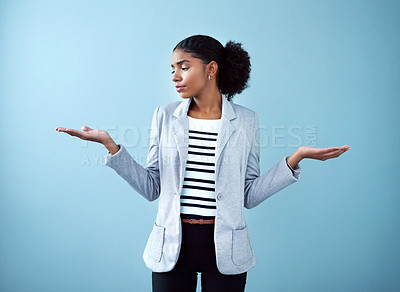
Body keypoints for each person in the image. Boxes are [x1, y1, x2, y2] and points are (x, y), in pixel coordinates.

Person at [56, 34, 351, 292]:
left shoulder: (246, 121)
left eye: (184, 67)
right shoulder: (164, 115)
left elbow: (248, 194)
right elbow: (151, 187)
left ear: (211, 69)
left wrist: (294, 159)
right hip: (172, 245)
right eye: (172, 69)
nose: (175, 76)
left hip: (226, 247)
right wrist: (111, 146)